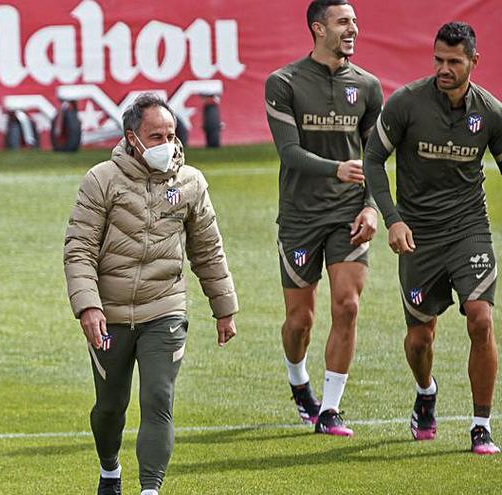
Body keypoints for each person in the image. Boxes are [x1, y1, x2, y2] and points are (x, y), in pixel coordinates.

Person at [64, 93, 238, 495]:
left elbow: (208, 248)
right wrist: (88, 307)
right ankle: (110, 470)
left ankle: (150, 489)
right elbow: (79, 249)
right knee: (110, 408)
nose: (166, 143)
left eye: (171, 134)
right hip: (109, 314)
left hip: (166, 308)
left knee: (158, 396)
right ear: (132, 138)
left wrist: (224, 308)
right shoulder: (101, 180)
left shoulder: (191, 183)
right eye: (155, 135)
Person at [364, 22, 502, 455]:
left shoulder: (491, 113)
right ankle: (426, 392)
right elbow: (372, 160)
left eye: (454, 61)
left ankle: (481, 425)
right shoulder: (406, 103)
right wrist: (393, 219)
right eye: (438, 59)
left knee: (480, 318)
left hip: (469, 229)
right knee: (421, 338)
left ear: (473, 62)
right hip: (418, 236)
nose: (444, 68)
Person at [264, 0, 382, 436]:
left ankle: (330, 411)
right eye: (343, 22)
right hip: (300, 217)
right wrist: (335, 168)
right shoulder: (283, 82)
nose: (354, 28)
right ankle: (300, 385)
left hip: (347, 213)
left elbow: (374, 156)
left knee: (347, 306)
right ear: (318, 28)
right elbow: (289, 153)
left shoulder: (368, 86)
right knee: (300, 320)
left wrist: (371, 206)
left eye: (354, 21)